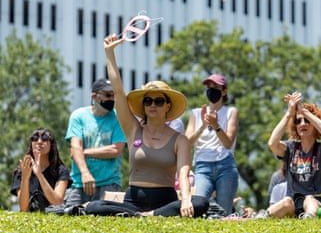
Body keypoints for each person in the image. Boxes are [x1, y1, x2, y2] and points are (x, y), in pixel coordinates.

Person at [85, 34, 208, 218]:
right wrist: (109, 53)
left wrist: (187, 198)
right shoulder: (134, 130)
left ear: (167, 106)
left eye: (158, 101)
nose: (152, 105)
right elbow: (118, 92)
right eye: (148, 101)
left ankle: (150, 215)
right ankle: (143, 215)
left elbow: (184, 172)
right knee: (94, 206)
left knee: (201, 202)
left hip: (165, 200)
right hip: (132, 201)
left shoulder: (179, 140)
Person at [255, 91, 321, 218]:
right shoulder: (291, 148)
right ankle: (260, 218)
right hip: (293, 205)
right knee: (286, 201)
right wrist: (289, 114)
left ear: (315, 124)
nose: (302, 124)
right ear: (295, 126)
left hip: (316, 203)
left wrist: (304, 111)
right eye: (298, 121)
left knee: (309, 199)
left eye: (307, 121)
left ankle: (308, 219)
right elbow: (272, 143)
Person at [64, 78, 126, 206]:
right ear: (94, 96)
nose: (112, 99)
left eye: (114, 95)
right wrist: (85, 173)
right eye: (108, 95)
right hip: (79, 182)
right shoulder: (78, 116)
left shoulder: (118, 118)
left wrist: (84, 152)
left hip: (110, 184)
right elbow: (75, 146)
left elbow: (116, 150)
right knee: (69, 219)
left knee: (111, 224)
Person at [185, 73, 239, 216]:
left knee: (224, 212)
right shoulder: (196, 113)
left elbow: (228, 143)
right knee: (198, 205)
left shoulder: (231, 112)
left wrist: (216, 125)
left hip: (225, 165)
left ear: (224, 91)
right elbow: (187, 142)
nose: (211, 90)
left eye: (216, 87)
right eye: (209, 87)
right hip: (203, 166)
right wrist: (203, 126)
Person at [10, 128, 72, 212]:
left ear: (51, 144)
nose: (39, 142)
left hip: (53, 219)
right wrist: (25, 178)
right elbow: (24, 208)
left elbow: (57, 203)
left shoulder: (61, 170)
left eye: (45, 138)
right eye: (35, 138)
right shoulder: (21, 171)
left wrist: (39, 174)